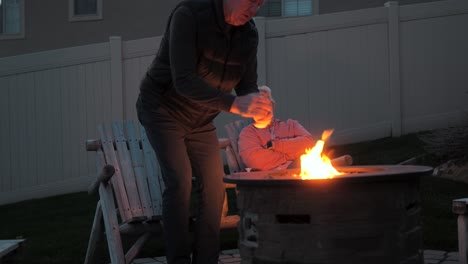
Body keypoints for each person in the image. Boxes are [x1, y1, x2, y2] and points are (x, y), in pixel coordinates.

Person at [135, 0, 272, 263]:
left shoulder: (248, 34)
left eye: (260, 4)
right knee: (180, 182)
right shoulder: (188, 16)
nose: (255, 10)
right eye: (252, 2)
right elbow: (184, 80)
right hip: (161, 108)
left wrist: (260, 104)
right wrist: (234, 104)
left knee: (215, 187)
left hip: (199, 119)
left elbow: (247, 88)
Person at [238, 86, 317, 171]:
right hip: (267, 180)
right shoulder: (248, 133)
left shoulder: (291, 125)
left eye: (266, 104)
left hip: (300, 173)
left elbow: (310, 144)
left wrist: (275, 145)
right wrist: (291, 158)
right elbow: (255, 161)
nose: (263, 109)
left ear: (273, 106)